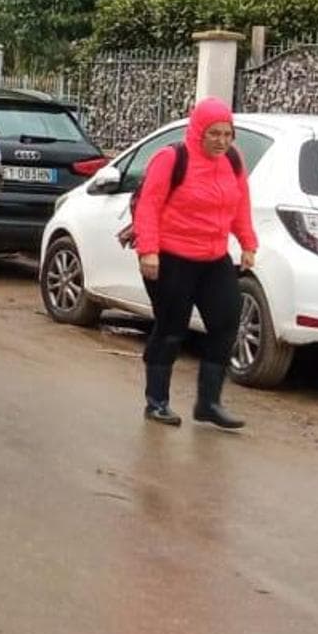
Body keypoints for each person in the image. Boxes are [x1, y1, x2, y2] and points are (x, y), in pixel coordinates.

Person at [132, 98, 255, 431]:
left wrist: (248, 243)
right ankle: (157, 402)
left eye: (228, 134)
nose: (221, 141)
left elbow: (240, 202)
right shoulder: (172, 159)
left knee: (226, 321)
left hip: (214, 257)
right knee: (171, 329)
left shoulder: (232, 160)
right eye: (214, 133)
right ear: (199, 131)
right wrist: (149, 251)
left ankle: (208, 402)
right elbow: (149, 206)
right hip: (171, 257)